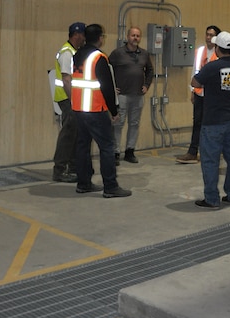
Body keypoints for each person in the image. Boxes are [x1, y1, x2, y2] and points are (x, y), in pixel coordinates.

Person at [71, 23, 132, 197]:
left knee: (82, 146)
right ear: (100, 38)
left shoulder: (77, 54)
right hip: (95, 109)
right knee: (107, 147)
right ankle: (110, 187)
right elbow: (106, 87)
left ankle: (83, 183)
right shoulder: (99, 57)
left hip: (79, 109)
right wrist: (114, 111)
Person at [191, 31, 230, 209]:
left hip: (213, 121)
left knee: (210, 160)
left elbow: (195, 83)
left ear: (218, 48)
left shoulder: (212, 67)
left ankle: (212, 198)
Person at [176, 24, 220, 164]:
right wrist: (192, 91)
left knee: (211, 125)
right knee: (197, 123)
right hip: (199, 93)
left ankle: (210, 152)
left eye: (212, 35)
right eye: (207, 34)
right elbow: (194, 70)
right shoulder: (199, 51)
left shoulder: (220, 53)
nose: (208, 37)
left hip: (213, 96)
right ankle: (192, 152)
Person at [109, 26, 154, 163]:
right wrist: (111, 87)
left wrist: (146, 85)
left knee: (134, 124)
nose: (135, 38)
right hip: (121, 95)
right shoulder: (117, 53)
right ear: (127, 37)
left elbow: (150, 71)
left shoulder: (144, 54)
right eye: (133, 35)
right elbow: (107, 70)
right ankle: (115, 153)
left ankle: (130, 151)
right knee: (118, 124)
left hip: (138, 96)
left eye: (138, 36)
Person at [52, 22, 86, 182]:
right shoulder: (67, 53)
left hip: (71, 99)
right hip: (67, 99)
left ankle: (73, 168)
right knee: (67, 135)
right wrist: (75, 101)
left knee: (74, 134)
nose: (84, 38)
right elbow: (66, 79)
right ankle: (59, 170)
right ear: (76, 35)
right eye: (83, 35)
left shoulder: (74, 51)